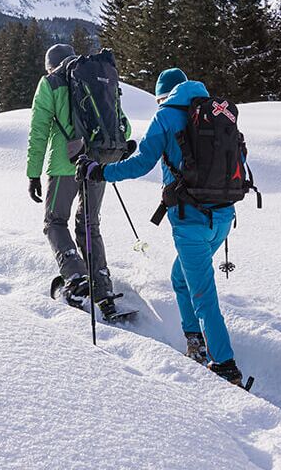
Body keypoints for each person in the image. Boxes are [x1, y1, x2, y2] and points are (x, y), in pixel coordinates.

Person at [76, 67, 244, 387]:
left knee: (203, 293)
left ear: (162, 97)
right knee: (180, 278)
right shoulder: (218, 112)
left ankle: (225, 364)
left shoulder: (165, 117)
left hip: (190, 221)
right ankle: (194, 339)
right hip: (223, 217)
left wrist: (100, 172)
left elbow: (141, 164)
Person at [26, 43, 133, 317]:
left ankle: (75, 280)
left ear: (51, 65)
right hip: (97, 163)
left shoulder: (50, 83)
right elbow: (124, 125)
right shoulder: (96, 77)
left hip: (64, 166)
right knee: (89, 223)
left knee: (54, 222)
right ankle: (104, 290)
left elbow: (39, 131)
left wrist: (33, 173)